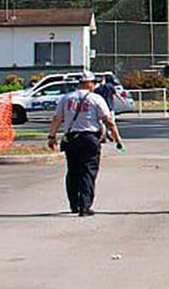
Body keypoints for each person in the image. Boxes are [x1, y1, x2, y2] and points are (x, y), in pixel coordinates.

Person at [47, 71, 124, 217]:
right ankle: (85, 205)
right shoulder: (96, 99)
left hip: (71, 138)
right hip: (90, 138)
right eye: (93, 82)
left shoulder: (66, 98)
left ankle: (74, 204)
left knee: (73, 171)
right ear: (88, 83)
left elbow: (57, 118)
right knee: (88, 171)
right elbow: (108, 120)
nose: (94, 85)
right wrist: (117, 139)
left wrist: (52, 137)